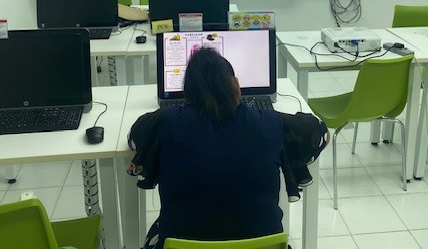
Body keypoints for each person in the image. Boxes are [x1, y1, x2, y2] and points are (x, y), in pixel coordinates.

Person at [128, 46, 329, 249]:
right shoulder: (270, 124)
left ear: (187, 92)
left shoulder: (166, 122)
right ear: (236, 85)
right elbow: (321, 132)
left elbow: (134, 137)